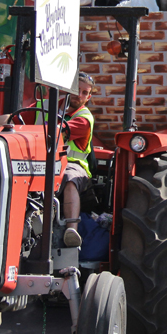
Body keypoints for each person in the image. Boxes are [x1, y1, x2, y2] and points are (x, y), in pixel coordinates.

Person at [47, 73, 95, 247]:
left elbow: (57, 132)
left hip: (74, 166)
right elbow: (11, 119)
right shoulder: (43, 106)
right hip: (43, 163)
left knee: (69, 178)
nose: (79, 95)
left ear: (88, 97)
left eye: (84, 92)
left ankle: (71, 229)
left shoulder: (84, 118)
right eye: (77, 90)